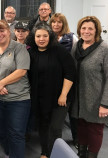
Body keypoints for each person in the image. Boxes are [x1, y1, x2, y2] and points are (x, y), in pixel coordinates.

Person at [26, 22, 76, 158]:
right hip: (39, 97)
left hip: (60, 97)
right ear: (33, 37)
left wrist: (64, 94)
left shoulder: (59, 50)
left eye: (45, 36)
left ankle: (54, 153)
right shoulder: (30, 53)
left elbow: (70, 72)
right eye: (38, 36)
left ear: (50, 36)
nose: (41, 39)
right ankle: (45, 152)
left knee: (55, 128)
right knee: (43, 125)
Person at [0, 20, 31, 158]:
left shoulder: (19, 48)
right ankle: (9, 153)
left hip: (18, 99)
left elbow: (21, 71)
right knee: (0, 131)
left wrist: (0, 83)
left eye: (2, 31)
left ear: (9, 31)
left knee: (16, 133)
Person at [70, 16, 108, 158]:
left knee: (95, 131)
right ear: (79, 30)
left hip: (97, 100)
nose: (86, 31)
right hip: (79, 99)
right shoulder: (77, 46)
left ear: (96, 30)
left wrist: (105, 104)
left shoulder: (104, 49)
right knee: (81, 129)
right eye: (83, 28)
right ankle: (82, 155)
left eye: (90, 28)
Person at [49, 12, 79, 148]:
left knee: (68, 114)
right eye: (54, 22)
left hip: (66, 80)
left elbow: (74, 60)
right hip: (51, 81)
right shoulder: (47, 36)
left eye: (59, 22)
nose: (56, 24)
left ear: (63, 23)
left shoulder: (72, 38)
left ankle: (73, 141)